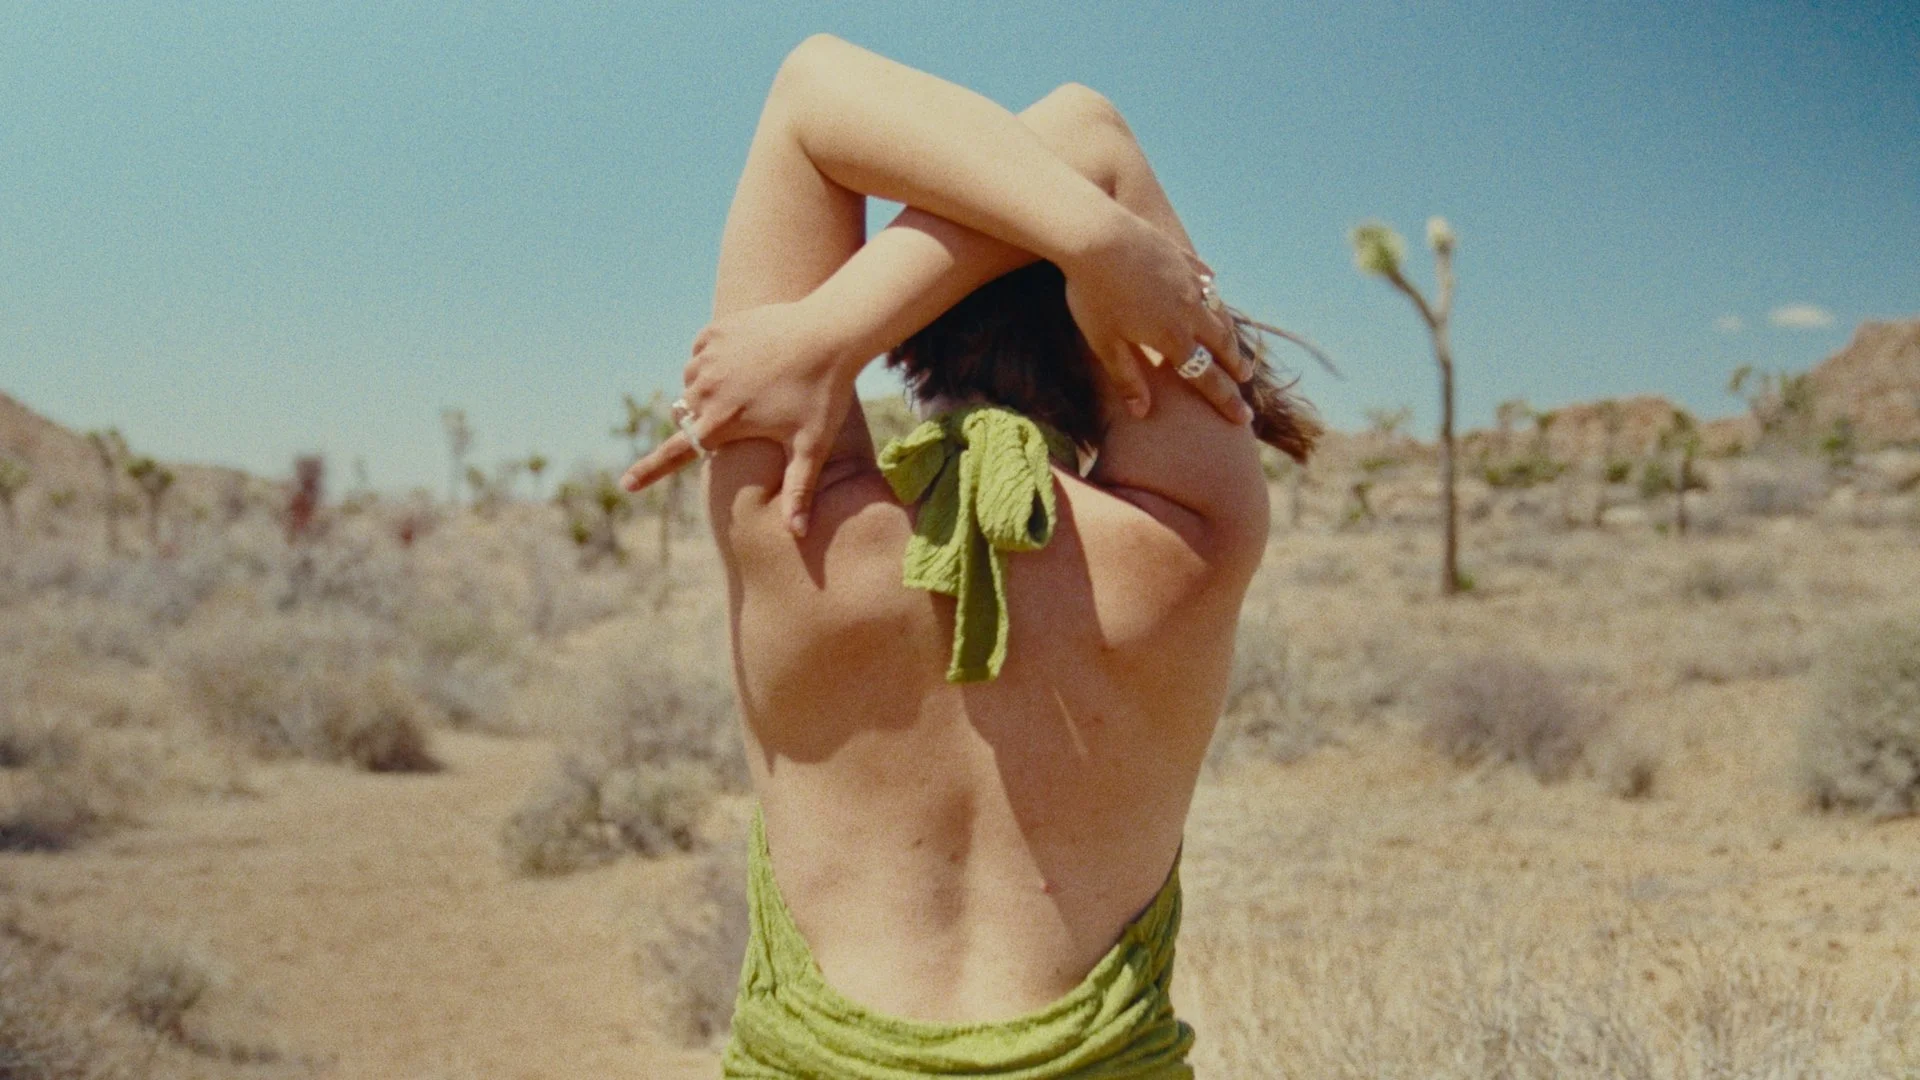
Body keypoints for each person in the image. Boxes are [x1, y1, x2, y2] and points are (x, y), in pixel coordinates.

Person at [621, 34, 1319, 1079]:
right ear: (1112, 328)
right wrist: (1104, 248)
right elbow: (1090, 133)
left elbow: (812, 90)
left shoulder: (790, 525)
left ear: (913, 343)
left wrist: (825, 331)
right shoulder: (1193, 542)